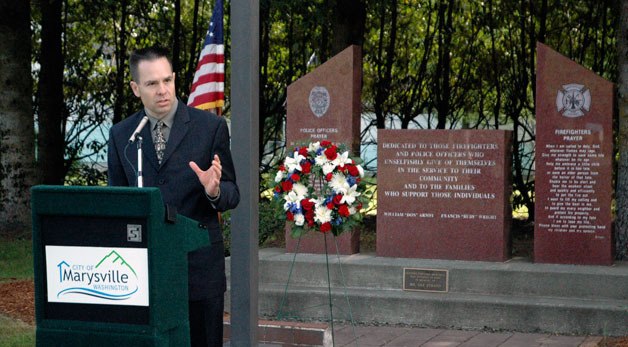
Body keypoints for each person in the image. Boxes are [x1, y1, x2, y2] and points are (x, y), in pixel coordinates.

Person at [107, 46, 239, 346]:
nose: (162, 90)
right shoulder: (122, 136)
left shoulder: (210, 127)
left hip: (199, 269)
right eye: (152, 84)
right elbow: (117, 203)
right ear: (135, 88)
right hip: (144, 272)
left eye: (167, 80)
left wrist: (214, 190)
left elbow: (232, 194)